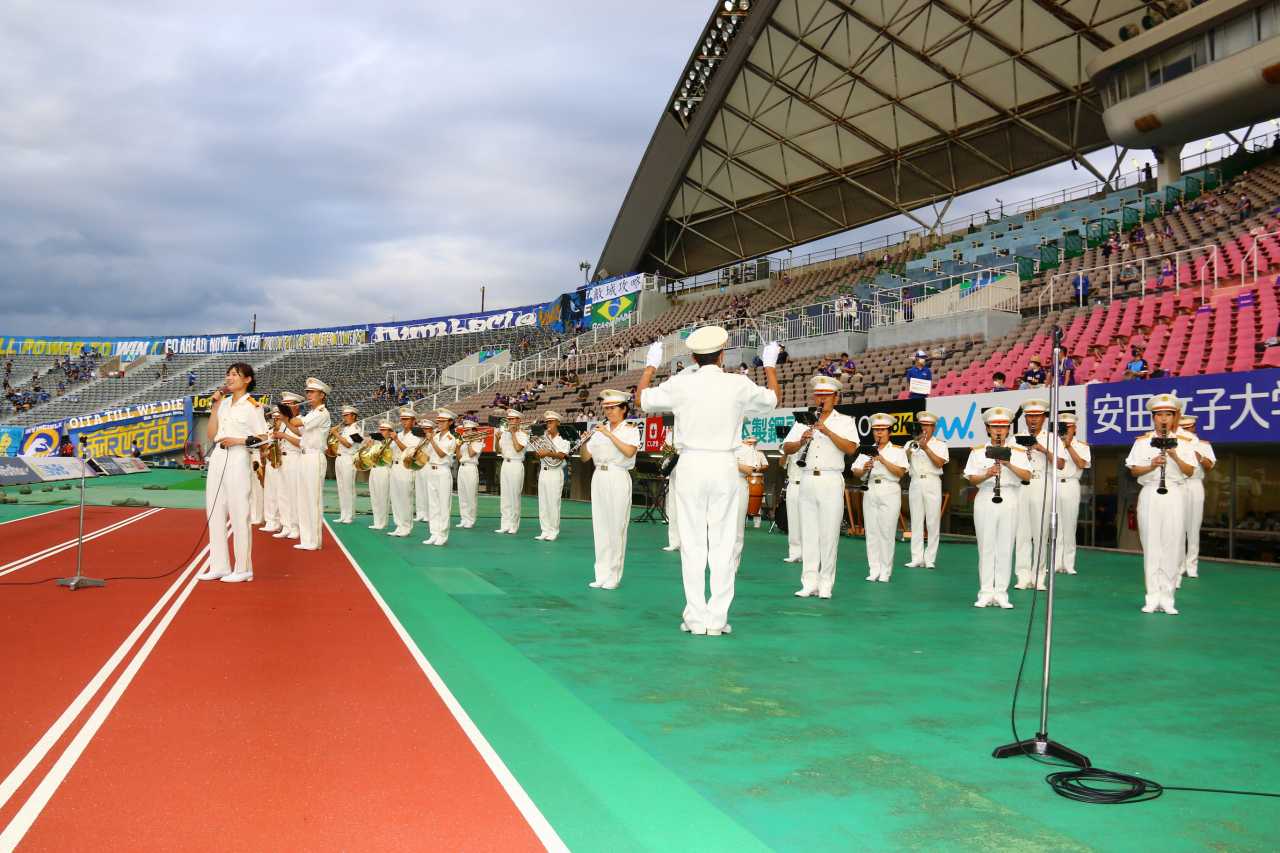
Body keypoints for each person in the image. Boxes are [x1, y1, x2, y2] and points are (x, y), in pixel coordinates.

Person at [637, 326, 781, 636]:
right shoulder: (737, 383)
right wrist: (769, 364)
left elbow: (643, 400)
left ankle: (695, 617)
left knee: (692, 543)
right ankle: (716, 620)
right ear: (722, 355)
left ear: (692, 357)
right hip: (724, 464)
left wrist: (651, 365)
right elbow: (772, 399)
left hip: (690, 464)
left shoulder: (680, 383)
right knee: (723, 543)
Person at [781, 375, 859, 598]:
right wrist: (801, 441)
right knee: (809, 532)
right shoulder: (804, 420)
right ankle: (809, 581)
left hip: (831, 479)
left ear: (835, 397)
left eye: (826, 395)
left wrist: (828, 432)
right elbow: (787, 448)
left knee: (829, 533)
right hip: (807, 478)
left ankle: (826, 584)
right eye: (818, 395)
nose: (821, 399)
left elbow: (851, 448)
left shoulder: (845, 421)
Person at [198, 363, 268, 584]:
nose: (229, 378)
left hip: (238, 455)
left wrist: (238, 440)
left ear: (247, 379)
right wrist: (215, 408)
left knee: (239, 512)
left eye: (235, 375)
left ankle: (243, 568)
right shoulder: (224, 404)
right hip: (218, 456)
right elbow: (211, 435)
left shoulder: (253, 406)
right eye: (228, 374)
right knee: (215, 510)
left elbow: (263, 438)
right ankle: (219, 565)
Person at [1126, 394, 1195, 614]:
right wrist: (1152, 464)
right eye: (1159, 415)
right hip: (1150, 492)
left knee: (1172, 546)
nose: (1163, 419)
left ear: (1175, 417)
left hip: (1174, 492)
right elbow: (1134, 470)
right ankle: (1152, 596)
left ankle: (1168, 597)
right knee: (1151, 545)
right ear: (1153, 418)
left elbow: (1190, 471)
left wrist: (1174, 456)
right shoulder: (1142, 441)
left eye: (1168, 415)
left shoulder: (1185, 442)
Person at [965, 406, 1031, 607]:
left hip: (1009, 497)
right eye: (994, 427)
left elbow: (1027, 476)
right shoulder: (977, 451)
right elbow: (970, 478)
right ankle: (985, 591)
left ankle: (1001, 592)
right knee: (986, 547)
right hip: (985, 496)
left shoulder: (1018, 451)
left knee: (1005, 546)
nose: (999, 431)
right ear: (987, 428)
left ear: (1008, 429)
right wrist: (987, 473)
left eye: (1003, 427)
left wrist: (1008, 463)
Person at [581, 391, 641, 588]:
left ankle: (614, 575)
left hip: (618, 475)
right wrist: (583, 442)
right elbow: (585, 458)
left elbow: (629, 451)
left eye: (613, 408)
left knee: (617, 527)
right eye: (606, 408)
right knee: (601, 527)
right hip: (599, 476)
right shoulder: (599, 430)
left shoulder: (630, 429)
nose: (609, 411)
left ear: (623, 409)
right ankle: (601, 574)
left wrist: (609, 435)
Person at [851, 413, 908, 582]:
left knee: (887, 532)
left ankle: (885, 571)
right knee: (872, 532)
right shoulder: (866, 450)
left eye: (882, 430)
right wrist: (864, 468)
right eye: (876, 430)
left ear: (889, 431)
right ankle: (874, 569)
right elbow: (855, 472)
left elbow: (900, 472)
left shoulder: (898, 450)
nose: (879, 433)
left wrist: (882, 460)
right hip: (870, 489)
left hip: (890, 489)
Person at [1013, 398, 1052, 591]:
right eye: (1029, 416)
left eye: (1037, 416)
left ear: (1044, 417)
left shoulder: (1051, 438)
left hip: (1041, 484)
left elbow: (1061, 463)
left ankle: (1039, 576)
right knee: (1022, 533)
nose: (1033, 420)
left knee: (1040, 533)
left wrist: (1041, 449)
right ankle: (1022, 575)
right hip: (1021, 486)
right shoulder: (1016, 438)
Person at [290, 377, 332, 551]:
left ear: (322, 395)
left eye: (312, 392)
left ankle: (314, 540)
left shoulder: (322, 413)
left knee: (313, 500)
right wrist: (286, 419)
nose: (308, 395)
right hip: (304, 456)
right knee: (303, 499)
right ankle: (306, 538)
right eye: (307, 392)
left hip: (315, 457)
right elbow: (296, 430)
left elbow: (297, 422)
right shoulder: (311, 414)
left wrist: (291, 413)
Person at [905, 411, 948, 569]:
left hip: (932, 482)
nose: (925, 428)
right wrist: (914, 446)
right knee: (916, 521)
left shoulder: (941, 445)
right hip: (915, 481)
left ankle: (930, 559)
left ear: (934, 428)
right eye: (923, 425)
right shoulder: (910, 443)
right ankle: (916, 557)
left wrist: (927, 448)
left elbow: (939, 464)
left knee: (932, 521)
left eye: (928, 426)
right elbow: (904, 460)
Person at [1178, 414, 1215, 581]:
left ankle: (1192, 565)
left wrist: (1198, 454)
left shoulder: (1203, 445)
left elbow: (1209, 467)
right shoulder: (1174, 443)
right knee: (1177, 527)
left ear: (1194, 428)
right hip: (1177, 484)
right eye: (1182, 428)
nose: (1186, 431)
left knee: (1193, 528)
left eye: (1188, 428)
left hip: (1194, 484)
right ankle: (1178, 565)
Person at [1053, 412, 1091, 576]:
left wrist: (1068, 446)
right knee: (1055, 526)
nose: (1065, 429)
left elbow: (1082, 464)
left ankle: (1068, 563)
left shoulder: (1082, 445)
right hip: (1054, 484)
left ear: (1074, 428)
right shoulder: (1052, 443)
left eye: (1068, 427)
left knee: (1069, 526)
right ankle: (1055, 562)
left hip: (1070, 484)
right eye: (1062, 426)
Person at [269, 392, 305, 541]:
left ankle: (296, 527)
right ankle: (286, 526)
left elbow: (300, 443)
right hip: (282, 460)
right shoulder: (283, 423)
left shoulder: (301, 421)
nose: (285, 408)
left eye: (289, 405)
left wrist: (283, 436)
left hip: (294, 459)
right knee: (282, 495)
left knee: (293, 495)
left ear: (296, 406)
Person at [421, 410, 458, 546]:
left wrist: (431, 440)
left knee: (443, 504)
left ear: (450, 423)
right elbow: (427, 454)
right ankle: (434, 533)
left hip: (443, 471)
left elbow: (442, 454)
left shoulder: (451, 439)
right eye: (439, 421)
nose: (440, 424)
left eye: (443, 421)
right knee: (433, 504)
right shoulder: (435, 437)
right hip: (431, 470)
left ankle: (443, 534)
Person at [534, 411, 571, 541]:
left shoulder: (563, 440)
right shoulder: (543, 438)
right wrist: (538, 450)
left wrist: (548, 452)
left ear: (558, 423)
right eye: (547, 422)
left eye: (551, 422)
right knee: (543, 503)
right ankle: (544, 530)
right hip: (543, 472)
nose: (548, 424)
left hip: (555, 472)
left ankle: (554, 531)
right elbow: (536, 455)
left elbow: (562, 455)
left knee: (553, 503)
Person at [732, 435, 768, 569]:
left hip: (739, 484)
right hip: (721, 485)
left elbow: (749, 469)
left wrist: (728, 460)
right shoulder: (721, 446)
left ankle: (734, 563)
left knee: (737, 527)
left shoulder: (747, 449)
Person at [495, 410, 529, 534]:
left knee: (514, 496)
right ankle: (505, 524)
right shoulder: (504, 434)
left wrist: (514, 433)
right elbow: (498, 450)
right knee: (505, 496)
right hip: (505, 464)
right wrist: (496, 438)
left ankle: (513, 525)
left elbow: (518, 448)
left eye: (514, 419)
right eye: (509, 419)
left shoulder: (523, 434)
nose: (511, 422)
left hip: (516, 464)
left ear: (519, 421)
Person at [387, 407, 418, 537]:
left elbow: (409, 453)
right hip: (394, 467)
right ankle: (399, 525)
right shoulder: (398, 434)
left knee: (406, 499)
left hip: (406, 468)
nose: (404, 422)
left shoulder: (416, 436)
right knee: (395, 498)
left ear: (413, 421)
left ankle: (406, 526)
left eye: (407, 419)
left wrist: (396, 440)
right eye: (402, 419)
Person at [334, 405, 361, 524]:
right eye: (343, 415)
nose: (344, 417)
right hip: (340, 458)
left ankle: (349, 515)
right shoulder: (346, 428)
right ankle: (343, 514)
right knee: (341, 487)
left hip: (348, 459)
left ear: (353, 416)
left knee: (348, 488)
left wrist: (335, 433)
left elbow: (348, 445)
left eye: (347, 415)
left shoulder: (356, 429)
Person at [455, 419, 483, 529]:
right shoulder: (463, 442)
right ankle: (464, 518)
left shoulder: (479, 441)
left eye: (468, 430)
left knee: (470, 495)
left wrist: (468, 441)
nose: (465, 432)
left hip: (471, 468)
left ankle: (471, 519)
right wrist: (458, 446)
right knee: (462, 495)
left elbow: (471, 454)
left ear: (474, 431)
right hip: (462, 468)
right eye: (465, 430)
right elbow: (459, 458)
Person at [367, 420, 394, 531]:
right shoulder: (377, 443)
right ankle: (376, 521)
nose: (381, 431)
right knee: (374, 497)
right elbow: (371, 457)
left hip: (384, 470)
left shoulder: (391, 442)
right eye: (380, 429)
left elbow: (388, 456)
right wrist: (369, 447)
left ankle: (382, 522)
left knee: (383, 497)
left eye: (383, 430)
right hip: (374, 469)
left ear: (390, 431)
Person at [779, 445, 804, 563]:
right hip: (793, 484)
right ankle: (794, 553)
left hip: (807, 485)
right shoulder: (792, 447)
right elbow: (781, 464)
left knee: (807, 521)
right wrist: (785, 453)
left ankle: (808, 553)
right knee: (793, 519)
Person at [413, 415, 433, 523]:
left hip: (428, 466)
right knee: (419, 491)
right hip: (419, 465)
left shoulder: (433, 439)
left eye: (426, 428)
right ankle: (420, 513)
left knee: (427, 491)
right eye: (423, 428)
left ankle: (428, 514)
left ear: (431, 429)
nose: (424, 430)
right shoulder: (421, 439)